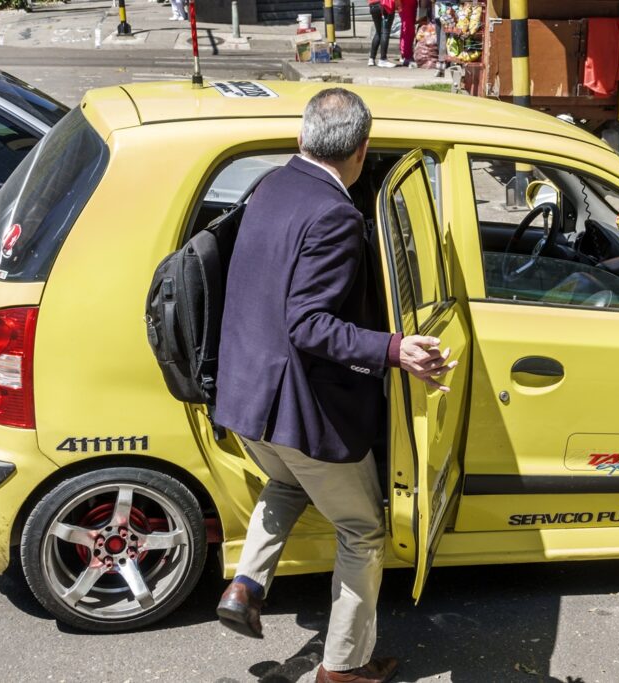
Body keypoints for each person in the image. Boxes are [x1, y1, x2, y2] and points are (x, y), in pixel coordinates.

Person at [213, 88, 456, 683]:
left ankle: (246, 585)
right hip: (297, 409)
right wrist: (395, 349)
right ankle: (343, 668)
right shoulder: (336, 216)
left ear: (302, 139)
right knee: (362, 530)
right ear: (362, 149)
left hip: (244, 400)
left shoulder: (270, 186)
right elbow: (309, 323)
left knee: (286, 481)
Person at [368, 0, 395, 68]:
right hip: (385, 5)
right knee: (385, 32)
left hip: (373, 5)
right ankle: (383, 59)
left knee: (378, 32)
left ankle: (371, 58)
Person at [398, 0, 418, 67]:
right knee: (407, 29)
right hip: (406, 4)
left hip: (411, 3)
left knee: (408, 29)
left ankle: (405, 54)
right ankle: (406, 55)